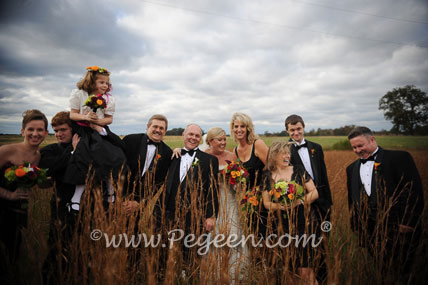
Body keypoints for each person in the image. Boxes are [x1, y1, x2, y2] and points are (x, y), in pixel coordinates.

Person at [346, 126, 424, 283]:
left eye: (360, 145)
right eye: (354, 147)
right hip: (370, 231)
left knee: (405, 274)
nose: (357, 150)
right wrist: (357, 227)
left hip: (399, 228)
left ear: (372, 140)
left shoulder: (399, 158)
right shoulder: (351, 169)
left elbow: (413, 191)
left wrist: (407, 222)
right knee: (383, 271)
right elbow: (352, 200)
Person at [64, 66, 126, 212]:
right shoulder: (80, 94)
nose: (105, 86)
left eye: (107, 83)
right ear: (91, 82)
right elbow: (72, 115)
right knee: (83, 159)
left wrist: (97, 122)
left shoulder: (108, 99)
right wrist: (86, 117)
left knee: (115, 155)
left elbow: (109, 119)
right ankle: (76, 198)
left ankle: (111, 191)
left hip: (99, 130)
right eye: (101, 82)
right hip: (82, 130)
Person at [261, 141, 319, 284]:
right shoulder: (266, 175)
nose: (287, 156)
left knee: (305, 269)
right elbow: (266, 203)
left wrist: (298, 201)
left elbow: (314, 192)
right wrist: (280, 207)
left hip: (302, 223)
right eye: (284, 153)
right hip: (280, 226)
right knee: (289, 268)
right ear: (274, 156)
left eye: (288, 153)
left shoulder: (298, 170)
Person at [164, 124, 219, 270]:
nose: (193, 138)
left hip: (195, 216)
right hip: (170, 214)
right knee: (168, 255)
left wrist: (211, 216)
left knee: (192, 257)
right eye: (190, 134)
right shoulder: (173, 156)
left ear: (201, 139)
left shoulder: (209, 160)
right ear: (183, 135)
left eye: (197, 136)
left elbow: (213, 190)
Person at [285, 114, 332, 283]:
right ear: (287, 131)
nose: (296, 132)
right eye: (292, 130)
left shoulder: (316, 147)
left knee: (322, 245)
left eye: (298, 128)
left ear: (304, 127)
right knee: (303, 246)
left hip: (321, 204)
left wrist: (328, 202)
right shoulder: (285, 150)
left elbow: (323, 175)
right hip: (299, 205)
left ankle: (322, 280)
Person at [0, 110, 48, 265]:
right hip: (1, 208)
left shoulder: (37, 156)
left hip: (19, 211)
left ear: (46, 133)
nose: (35, 133)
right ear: (22, 131)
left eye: (40, 129)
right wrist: (9, 195)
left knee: (13, 252)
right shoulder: (7, 151)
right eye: (31, 129)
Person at [38, 111, 78, 283]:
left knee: (80, 250)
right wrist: (72, 152)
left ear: (73, 130)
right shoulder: (49, 150)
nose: (59, 134)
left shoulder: (86, 148)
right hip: (60, 205)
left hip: (86, 207)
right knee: (56, 247)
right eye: (55, 131)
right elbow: (51, 168)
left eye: (63, 130)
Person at [122, 114, 172, 216]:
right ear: (148, 126)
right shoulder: (131, 140)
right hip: (118, 197)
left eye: (161, 128)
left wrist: (139, 203)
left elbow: (158, 182)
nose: (158, 130)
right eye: (155, 126)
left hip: (138, 204)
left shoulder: (167, 152)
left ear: (165, 131)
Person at [230, 112, 268, 236]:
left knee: (268, 234)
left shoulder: (258, 144)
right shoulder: (235, 151)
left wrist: (262, 190)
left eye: (242, 126)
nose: (239, 129)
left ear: (248, 128)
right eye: (236, 126)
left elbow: (272, 168)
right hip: (251, 201)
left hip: (266, 196)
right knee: (255, 234)